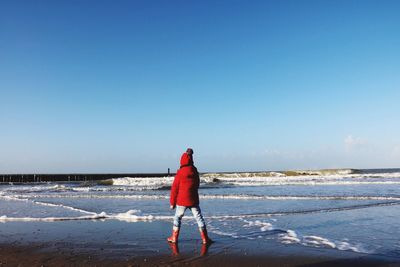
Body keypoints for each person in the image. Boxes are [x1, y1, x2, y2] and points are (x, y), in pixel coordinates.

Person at [167, 148, 212, 244]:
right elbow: (197, 184)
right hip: (193, 200)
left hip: (181, 201)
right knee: (199, 217)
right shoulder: (195, 171)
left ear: (182, 161)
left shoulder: (180, 172)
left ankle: (174, 237)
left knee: (177, 217)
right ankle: (205, 238)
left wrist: (172, 202)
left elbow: (175, 188)